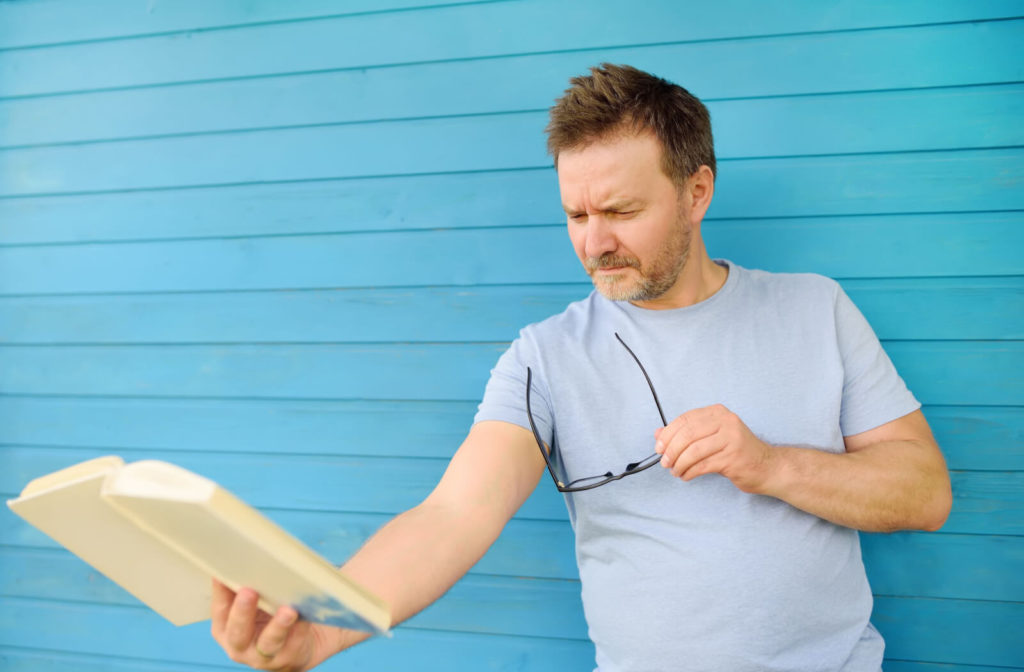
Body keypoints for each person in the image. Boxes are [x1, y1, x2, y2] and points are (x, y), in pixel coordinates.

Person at [210, 63, 952, 671]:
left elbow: (924, 494)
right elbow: (451, 516)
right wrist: (326, 630)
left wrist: (768, 464)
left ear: (697, 192)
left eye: (622, 212)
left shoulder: (814, 309)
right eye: (576, 215)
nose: (594, 244)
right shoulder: (545, 358)